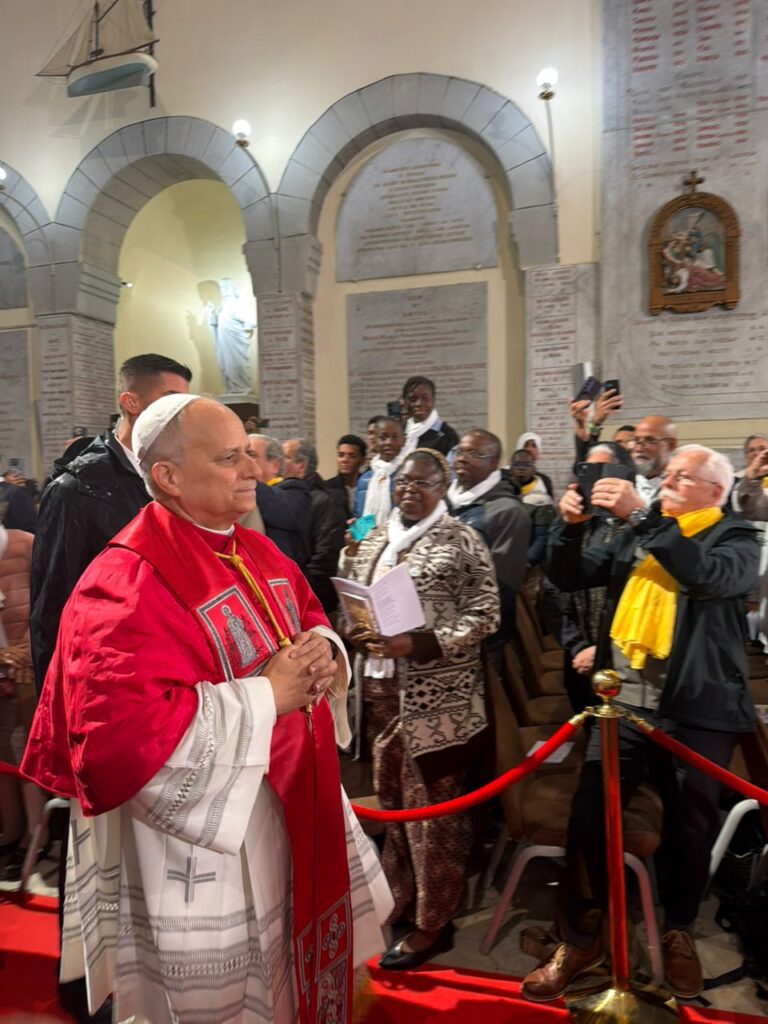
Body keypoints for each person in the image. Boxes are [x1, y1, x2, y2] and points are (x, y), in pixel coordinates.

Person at [21, 395, 392, 1024]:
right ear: (167, 477)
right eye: (229, 458)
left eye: (249, 451)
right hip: (207, 842)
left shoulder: (252, 548)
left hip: (294, 805)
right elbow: (119, 738)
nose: (252, 467)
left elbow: (306, 614)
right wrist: (266, 696)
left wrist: (324, 653)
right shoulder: (125, 579)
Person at [522, 444, 760, 1002]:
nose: (667, 482)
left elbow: (706, 577)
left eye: (682, 477)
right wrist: (572, 527)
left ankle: (678, 929)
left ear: (715, 491)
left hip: (696, 709)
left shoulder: (738, 537)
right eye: (668, 474)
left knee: (690, 826)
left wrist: (641, 514)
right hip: (621, 705)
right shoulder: (642, 530)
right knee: (588, 817)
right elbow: (572, 573)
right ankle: (582, 937)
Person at [338, 448, 500, 970]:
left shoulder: (461, 539)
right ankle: (400, 899)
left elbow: (487, 613)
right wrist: (355, 629)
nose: (410, 489)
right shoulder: (378, 535)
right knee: (394, 807)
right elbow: (355, 599)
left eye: (422, 481)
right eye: (403, 481)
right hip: (381, 689)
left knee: (435, 817)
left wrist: (425, 643)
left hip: (439, 700)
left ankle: (435, 923)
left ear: (443, 484)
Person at [30, 353, 192, 695]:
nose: (177, 414)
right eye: (168, 402)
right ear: (130, 402)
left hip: (168, 670)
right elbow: (52, 608)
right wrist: (58, 703)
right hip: (105, 680)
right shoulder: (76, 488)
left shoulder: (176, 479)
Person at [448, 429, 531, 665]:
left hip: (480, 637)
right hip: (441, 627)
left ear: (493, 463)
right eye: (459, 451)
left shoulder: (507, 512)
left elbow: (501, 585)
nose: (461, 458)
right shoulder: (445, 502)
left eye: (472, 453)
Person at [0, 524, 47, 882]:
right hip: (4, 666)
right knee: (3, 755)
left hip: (28, 671)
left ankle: (36, 833)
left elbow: (50, 598)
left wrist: (27, 651)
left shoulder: (26, 545)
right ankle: (12, 832)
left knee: (24, 748)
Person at [282, 438, 346, 613]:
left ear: (301, 465)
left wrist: (299, 593)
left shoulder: (323, 503)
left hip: (311, 601)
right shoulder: (280, 497)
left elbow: (324, 561)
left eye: (285, 457)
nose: (278, 462)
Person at [248, 435, 312, 569]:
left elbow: (282, 508)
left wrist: (244, 482)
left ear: (274, 465)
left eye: (251, 455)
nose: (244, 461)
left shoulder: (295, 491)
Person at [733, 434, 768, 653]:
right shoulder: (740, 483)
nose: (758, 454)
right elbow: (749, 508)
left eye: (762, 449)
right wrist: (753, 480)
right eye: (752, 450)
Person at [206, 276, 256, 394]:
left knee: (237, 364)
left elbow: (252, 322)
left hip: (237, 342)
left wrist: (246, 325)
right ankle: (232, 388)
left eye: (227, 287)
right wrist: (211, 315)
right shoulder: (221, 308)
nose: (224, 290)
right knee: (227, 365)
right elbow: (216, 326)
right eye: (222, 287)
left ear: (233, 289)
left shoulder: (238, 305)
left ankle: (242, 388)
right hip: (224, 342)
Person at [506, 448, 554, 566]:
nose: (521, 469)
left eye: (527, 465)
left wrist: (525, 563)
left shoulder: (541, 499)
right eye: (517, 464)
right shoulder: (503, 493)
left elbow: (541, 539)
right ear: (511, 468)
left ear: (534, 470)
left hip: (528, 563)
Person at [354, 417, 406, 524]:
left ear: (403, 441)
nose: (389, 442)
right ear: (375, 441)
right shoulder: (365, 479)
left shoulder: (408, 475)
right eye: (383, 438)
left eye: (395, 437)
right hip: (371, 538)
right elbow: (361, 518)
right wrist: (355, 535)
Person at [401, 376, 459, 457]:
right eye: (412, 399)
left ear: (433, 400)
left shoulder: (447, 436)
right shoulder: (400, 431)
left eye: (425, 398)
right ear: (404, 402)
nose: (419, 404)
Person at [627, 414, 678, 506]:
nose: (639, 449)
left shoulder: (683, 484)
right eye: (636, 440)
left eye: (650, 440)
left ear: (671, 445)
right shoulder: (623, 480)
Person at [326, 434, 367, 517]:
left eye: (352, 456)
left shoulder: (369, 485)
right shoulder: (327, 488)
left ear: (362, 460)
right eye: (341, 455)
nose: (345, 460)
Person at [514, 432, 554, 498]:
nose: (530, 449)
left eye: (534, 446)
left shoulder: (545, 480)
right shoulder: (508, 478)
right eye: (526, 445)